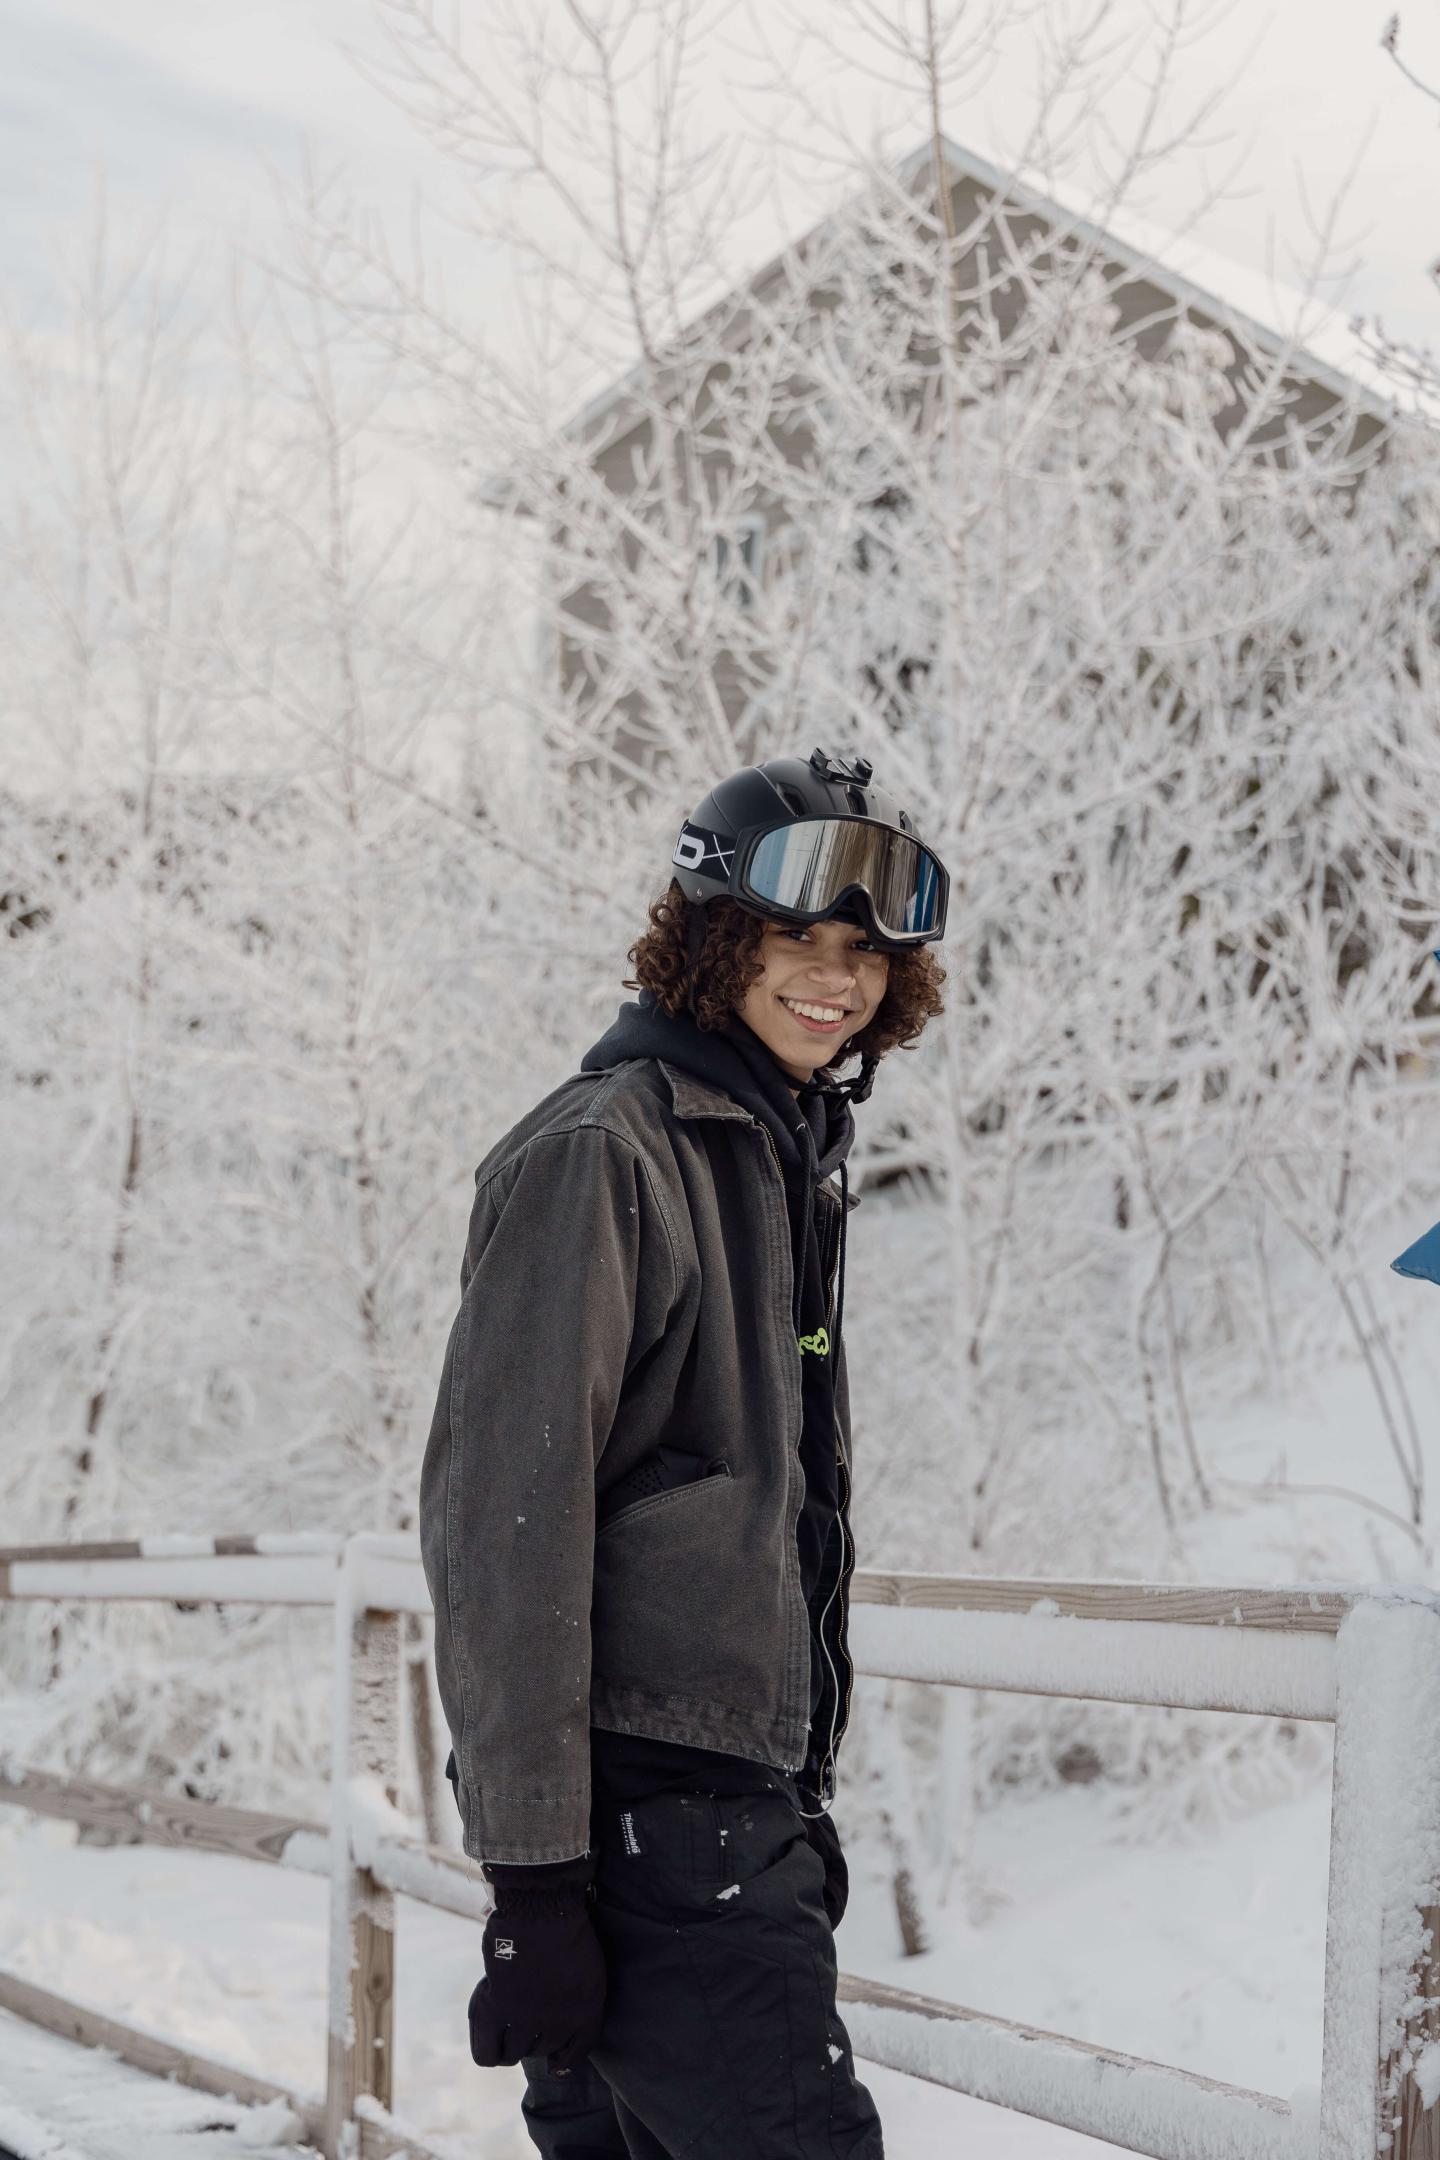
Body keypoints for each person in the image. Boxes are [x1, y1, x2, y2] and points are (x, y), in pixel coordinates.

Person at [418, 747, 949, 2158]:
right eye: (796, 938)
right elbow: (504, 1527)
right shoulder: (607, 1153)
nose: (835, 978)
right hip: (660, 1833)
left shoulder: (769, 1153)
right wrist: (535, 1889)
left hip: (725, 1816)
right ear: (714, 938)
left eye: (865, 952)